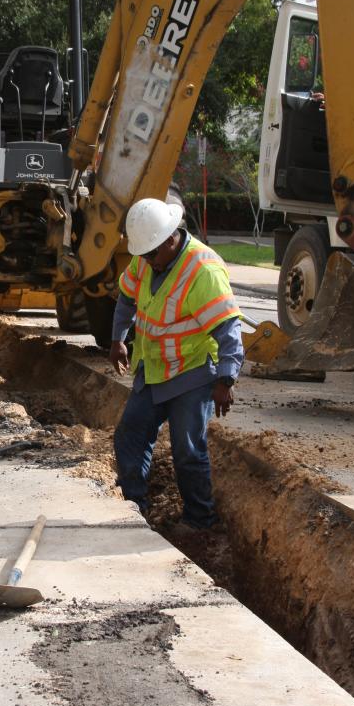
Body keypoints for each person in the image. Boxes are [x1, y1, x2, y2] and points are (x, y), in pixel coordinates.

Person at [109, 198, 243, 536]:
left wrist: (226, 380)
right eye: (143, 256)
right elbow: (126, 297)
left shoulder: (203, 271)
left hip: (193, 373)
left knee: (187, 450)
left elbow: (228, 328)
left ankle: (201, 521)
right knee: (130, 435)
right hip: (154, 369)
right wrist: (118, 339)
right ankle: (133, 510)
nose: (147, 262)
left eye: (152, 255)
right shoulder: (146, 259)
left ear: (170, 239)